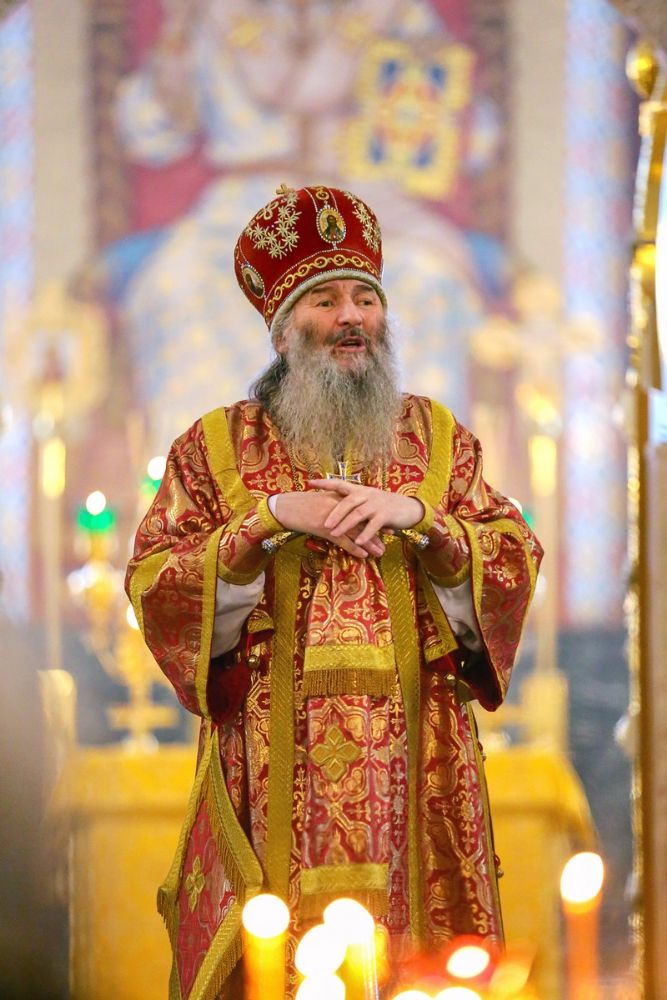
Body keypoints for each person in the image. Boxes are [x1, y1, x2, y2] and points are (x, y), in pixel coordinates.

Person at [125, 184, 542, 999]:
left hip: (417, 772)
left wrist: (423, 521)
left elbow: (512, 556)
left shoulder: (438, 439)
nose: (351, 317)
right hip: (271, 774)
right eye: (325, 300)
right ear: (283, 329)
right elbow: (155, 580)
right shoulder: (214, 449)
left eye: (365, 298)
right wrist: (265, 521)